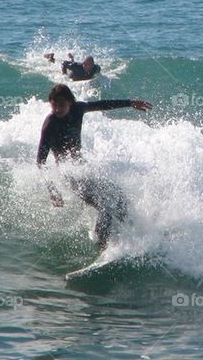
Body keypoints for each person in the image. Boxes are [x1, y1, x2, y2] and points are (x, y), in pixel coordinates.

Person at [37, 83, 152, 249]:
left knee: (119, 197)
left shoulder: (78, 109)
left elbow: (102, 104)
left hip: (83, 168)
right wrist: (52, 189)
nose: (57, 109)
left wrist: (130, 102)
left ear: (70, 102)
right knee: (106, 206)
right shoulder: (50, 125)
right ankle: (102, 245)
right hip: (69, 175)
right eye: (53, 105)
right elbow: (40, 162)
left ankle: (135, 233)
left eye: (61, 105)